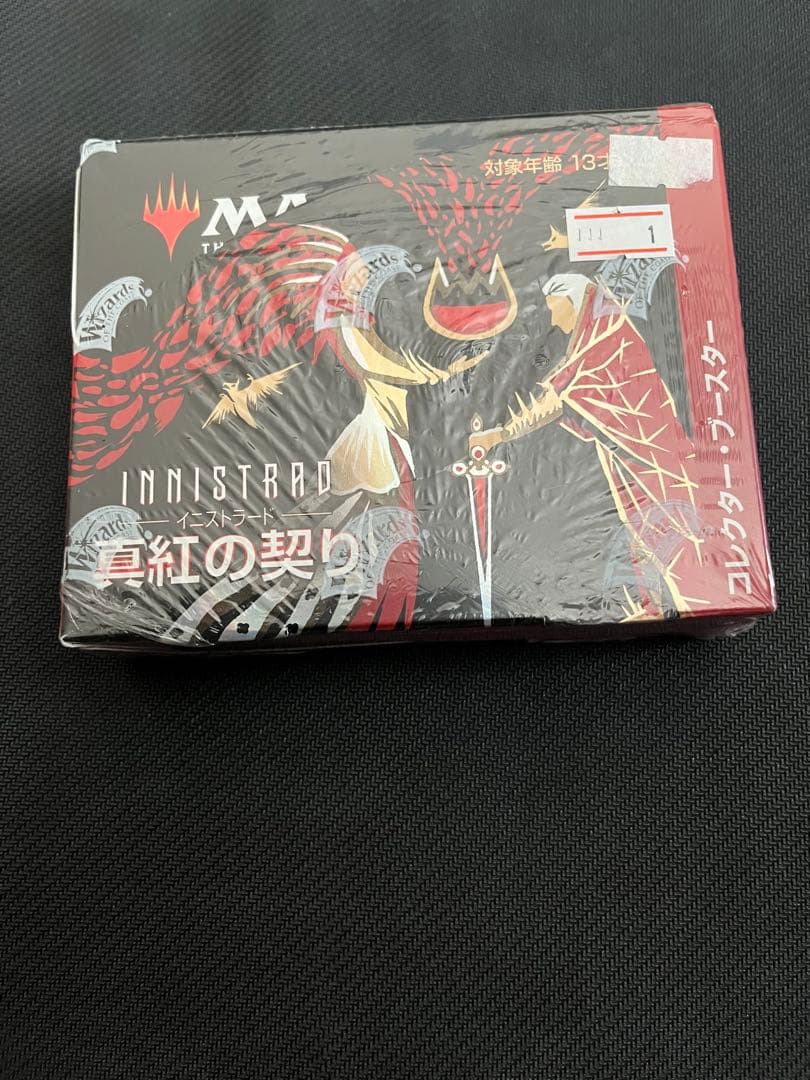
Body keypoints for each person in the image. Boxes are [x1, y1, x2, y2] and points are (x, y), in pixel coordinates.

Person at [471, 273, 714, 619]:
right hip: (630, 456)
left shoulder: (604, 341)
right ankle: (657, 606)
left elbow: (555, 400)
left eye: (555, 307)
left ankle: (698, 601)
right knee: (641, 528)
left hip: (652, 453)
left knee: (669, 526)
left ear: (573, 301)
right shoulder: (596, 335)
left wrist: (500, 435)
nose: (553, 318)